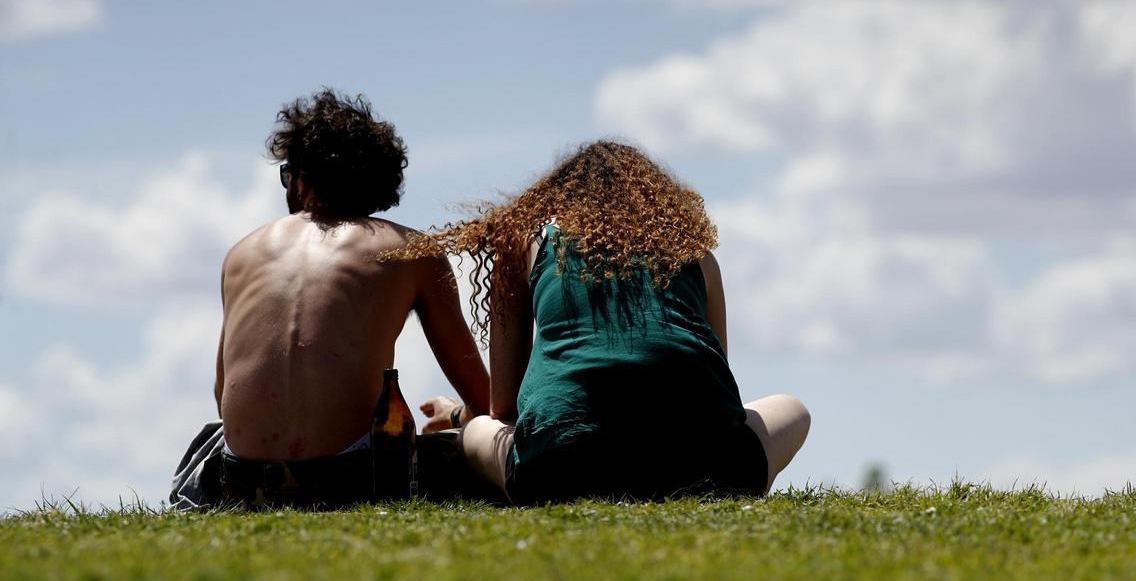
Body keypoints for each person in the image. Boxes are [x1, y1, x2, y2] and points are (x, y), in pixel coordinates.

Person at [387, 141, 811, 504]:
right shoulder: (699, 257)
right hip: (710, 464)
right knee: (793, 409)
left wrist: (460, 415)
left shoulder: (527, 241)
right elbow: (721, 393)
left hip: (562, 469)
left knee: (479, 430)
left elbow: (504, 408)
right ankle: (713, 482)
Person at [171, 89, 489, 508]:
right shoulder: (411, 251)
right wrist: (455, 416)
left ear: (301, 178)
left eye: (288, 174)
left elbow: (223, 399)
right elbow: (484, 399)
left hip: (243, 484)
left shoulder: (240, 254)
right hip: (351, 480)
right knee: (474, 443)